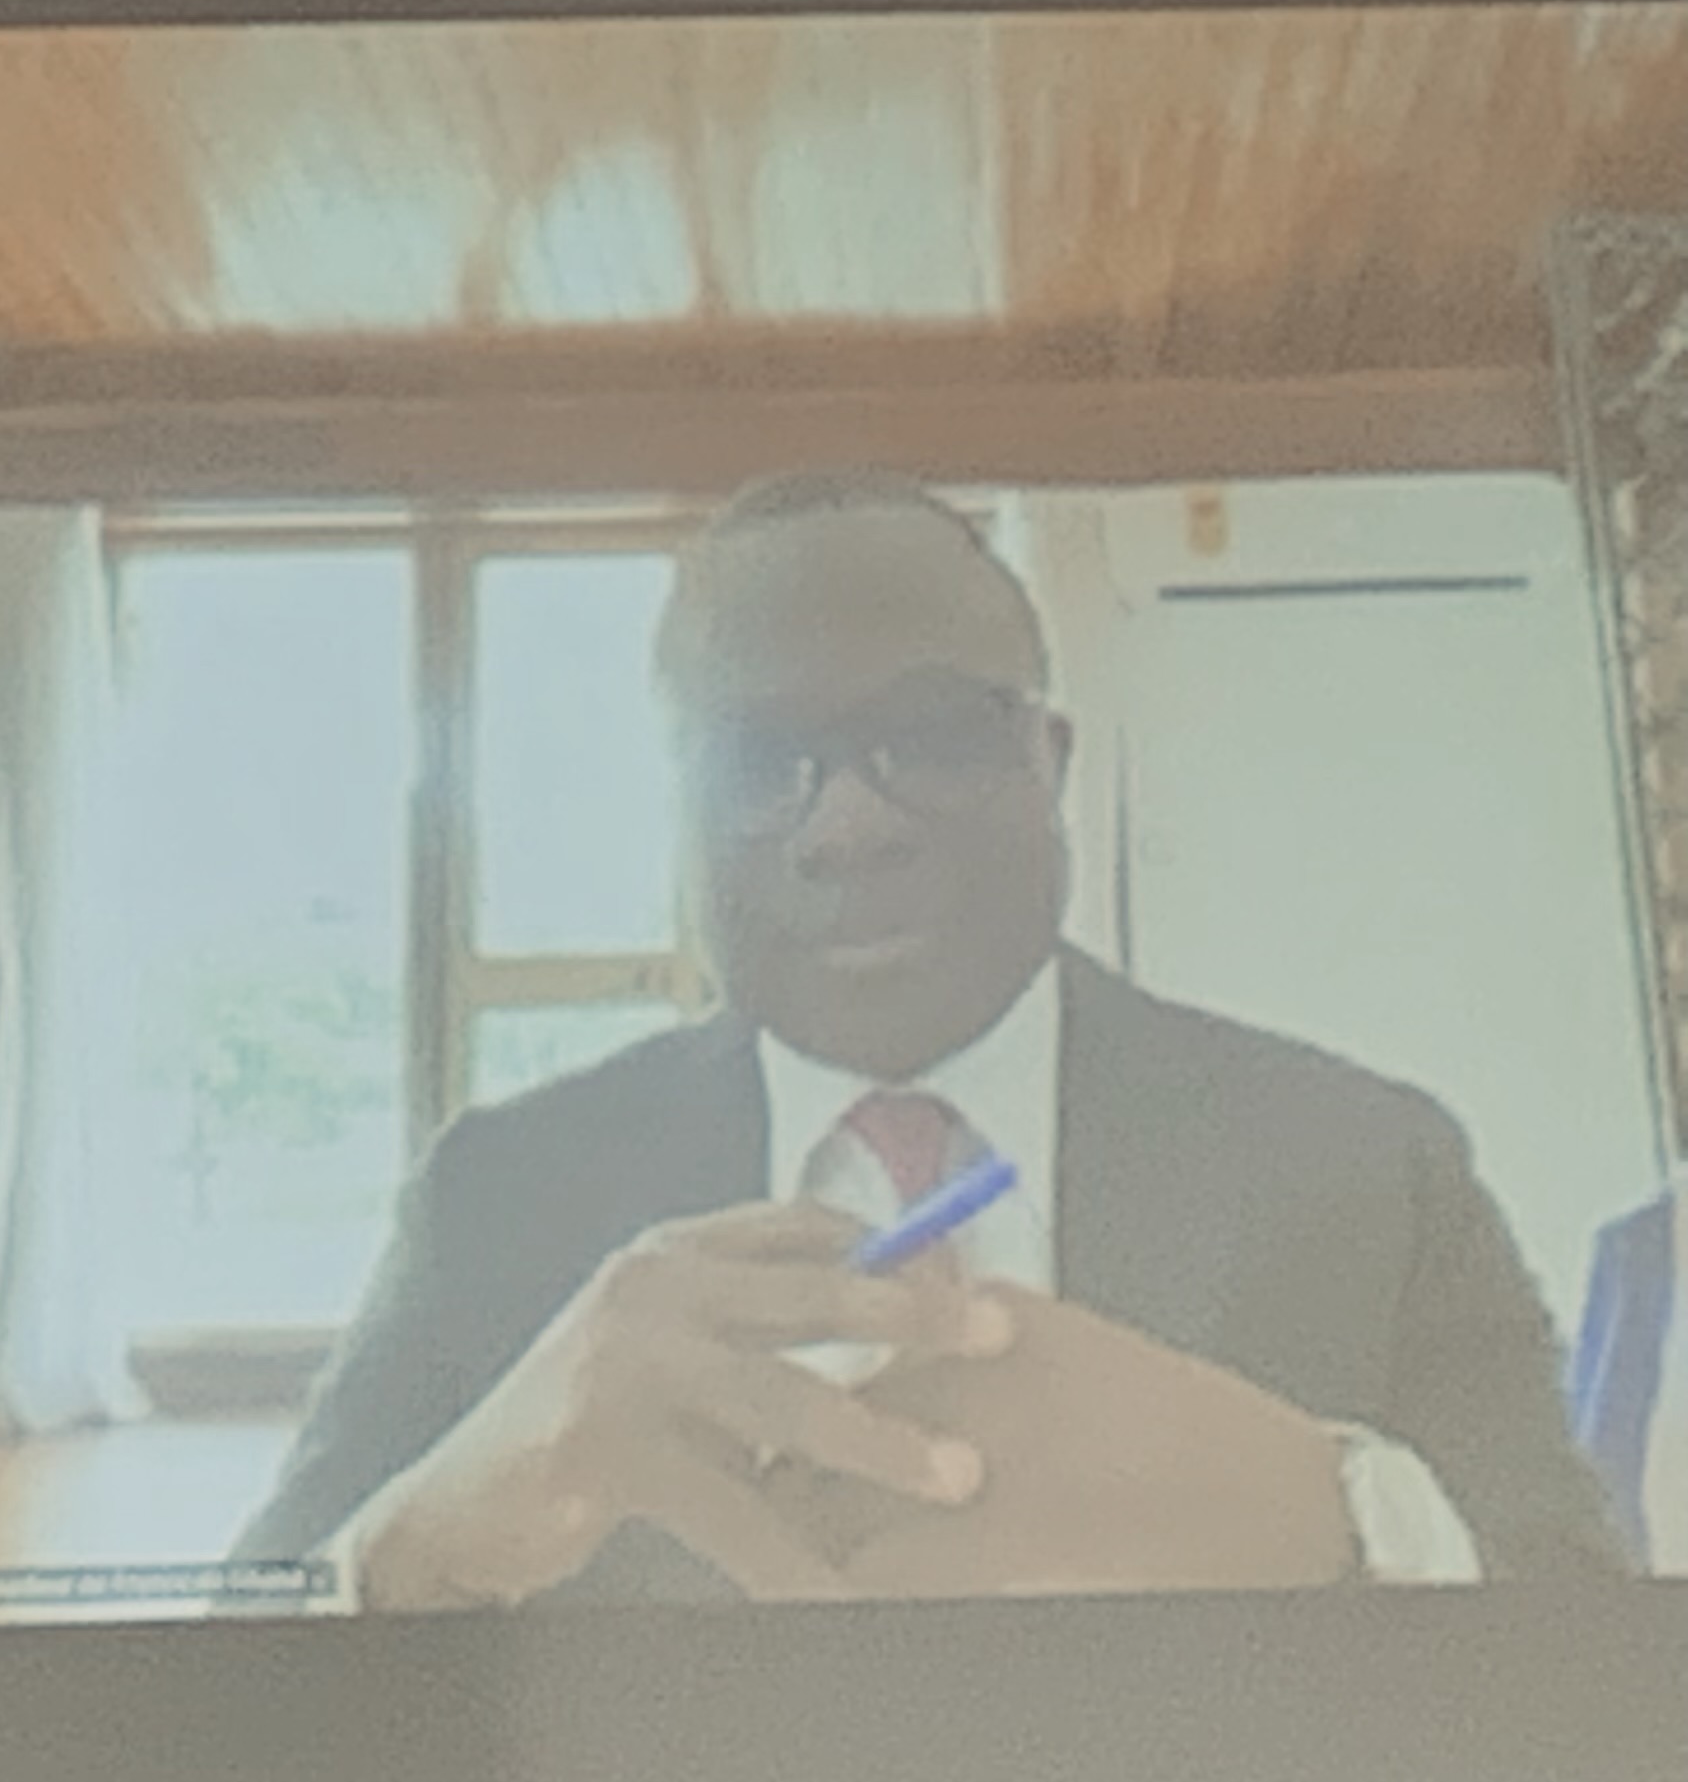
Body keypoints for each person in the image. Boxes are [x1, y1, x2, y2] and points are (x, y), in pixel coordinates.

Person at [229, 468, 1624, 1609]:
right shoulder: (499, 1198)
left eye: (936, 735)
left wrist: (1326, 1510)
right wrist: (415, 1549)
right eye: (756, 763)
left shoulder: (1367, 1170)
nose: (846, 825)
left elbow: (1611, 1689)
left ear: (1050, 764)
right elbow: (206, 1695)